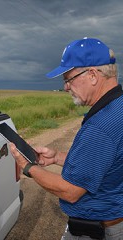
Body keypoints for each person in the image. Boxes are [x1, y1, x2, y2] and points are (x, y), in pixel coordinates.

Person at [10, 37, 123, 240]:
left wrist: (28, 167)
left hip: (99, 231)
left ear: (92, 75)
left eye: (68, 79)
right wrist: (56, 158)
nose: (65, 87)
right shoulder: (118, 107)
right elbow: (100, 164)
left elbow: (70, 191)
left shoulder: (100, 127)